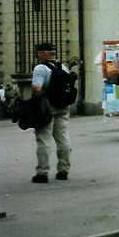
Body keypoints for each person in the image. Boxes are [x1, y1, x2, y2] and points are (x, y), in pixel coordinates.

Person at [31, 43, 71, 183]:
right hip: (63, 106)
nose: (37, 55)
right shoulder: (63, 67)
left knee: (43, 138)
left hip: (46, 107)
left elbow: (37, 89)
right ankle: (63, 170)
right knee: (63, 138)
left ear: (42, 53)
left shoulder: (40, 68)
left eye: (38, 52)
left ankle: (42, 172)